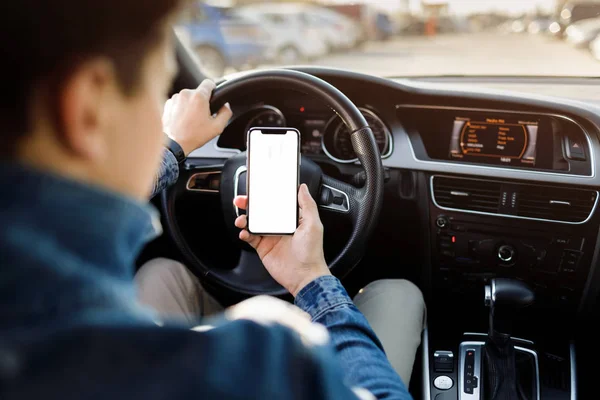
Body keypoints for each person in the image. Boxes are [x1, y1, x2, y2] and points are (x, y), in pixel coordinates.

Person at [0, 1, 425, 399]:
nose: (161, 126)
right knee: (399, 295)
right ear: (88, 109)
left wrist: (176, 146)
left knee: (162, 271)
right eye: (158, 93)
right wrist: (312, 281)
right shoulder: (267, 367)